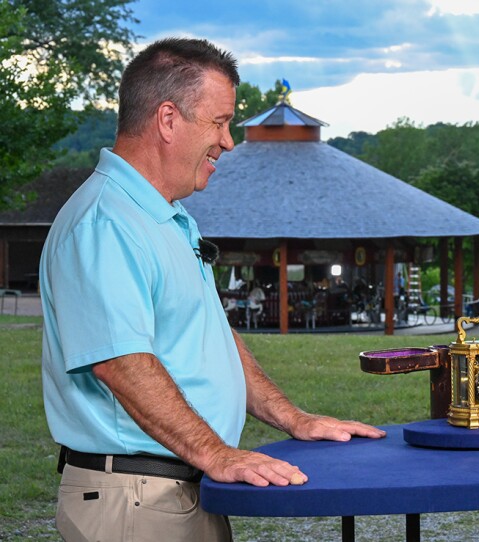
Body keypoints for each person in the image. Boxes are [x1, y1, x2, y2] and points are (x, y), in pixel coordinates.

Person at [40, 37, 385, 541]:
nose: (227, 141)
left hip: (181, 488)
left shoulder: (169, 217)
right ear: (167, 120)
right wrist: (216, 453)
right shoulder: (105, 223)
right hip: (137, 501)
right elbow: (120, 362)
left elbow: (211, 336)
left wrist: (292, 417)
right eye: (219, 122)